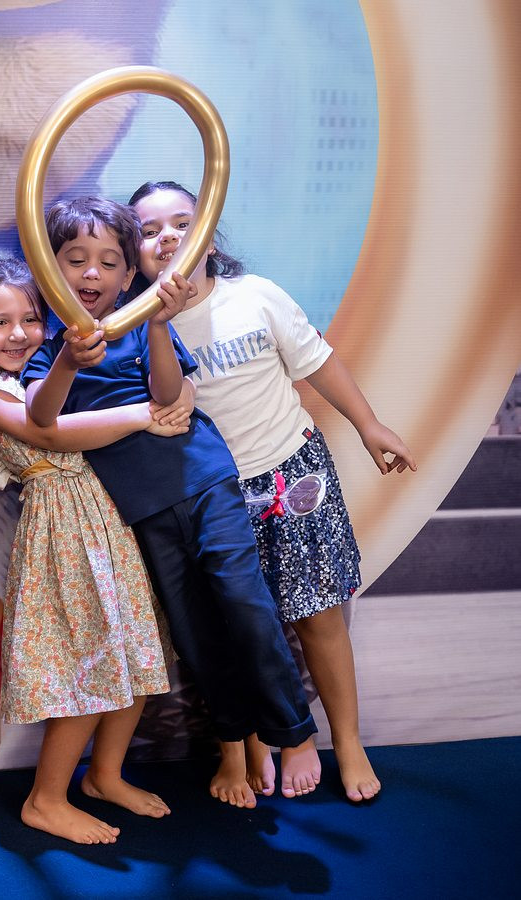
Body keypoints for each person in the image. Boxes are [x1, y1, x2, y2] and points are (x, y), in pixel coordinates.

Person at [23, 197, 320, 808]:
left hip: (205, 481)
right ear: (48, 268)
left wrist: (158, 324)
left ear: (128, 275)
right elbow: (42, 416)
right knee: (195, 634)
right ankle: (235, 737)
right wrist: (68, 360)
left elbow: (166, 391)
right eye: (75, 259)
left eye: (109, 262)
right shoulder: (48, 350)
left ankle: (294, 733)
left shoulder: (140, 325)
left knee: (246, 603)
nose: (92, 273)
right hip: (145, 511)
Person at [130, 181, 416, 803]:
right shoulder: (135, 327)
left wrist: (369, 426)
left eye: (182, 222)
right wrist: (154, 320)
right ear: (135, 253)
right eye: (148, 231)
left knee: (318, 619)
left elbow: (319, 362)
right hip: (213, 496)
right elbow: (160, 401)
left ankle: (347, 742)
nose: (167, 237)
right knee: (238, 625)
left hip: (292, 473)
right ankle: (259, 741)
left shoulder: (256, 296)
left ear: (209, 235)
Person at [0, 252, 183, 843]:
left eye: (29, 318)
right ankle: (45, 800)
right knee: (90, 661)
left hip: (107, 519)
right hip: (63, 529)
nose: (18, 333)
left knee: (136, 650)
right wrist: (143, 415)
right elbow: (44, 432)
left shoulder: (40, 365)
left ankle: (104, 775)